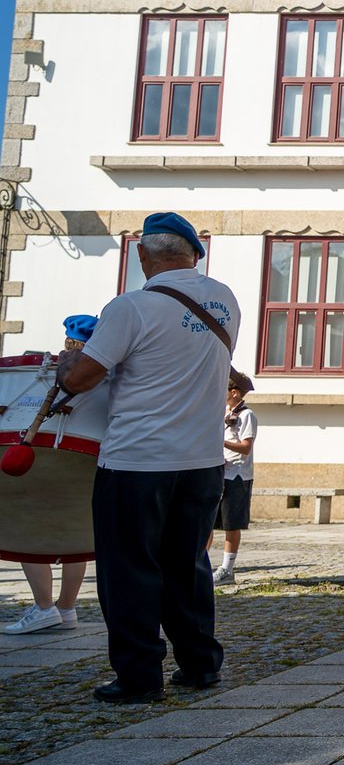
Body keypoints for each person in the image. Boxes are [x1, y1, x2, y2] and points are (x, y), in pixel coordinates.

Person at [56, 213, 238, 702]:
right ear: (195, 254)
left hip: (137, 461)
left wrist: (70, 359)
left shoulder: (130, 307)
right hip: (202, 459)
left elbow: (80, 380)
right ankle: (200, 665)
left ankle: (138, 678)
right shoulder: (225, 301)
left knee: (129, 570)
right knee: (188, 566)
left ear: (142, 254)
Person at [4, 314, 98, 636]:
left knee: (29, 530)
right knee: (74, 534)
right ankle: (67, 608)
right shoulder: (103, 373)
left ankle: (44, 608)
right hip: (87, 460)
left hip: (42, 458)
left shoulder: (52, 372)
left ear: (68, 342)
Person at [209, 370, 257, 586]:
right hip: (219, 471)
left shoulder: (247, 416)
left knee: (231, 524)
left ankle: (227, 569)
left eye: (224, 389)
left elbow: (246, 447)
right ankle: (198, 564)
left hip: (237, 475)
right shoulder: (223, 412)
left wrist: (220, 441)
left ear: (235, 392)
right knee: (207, 522)